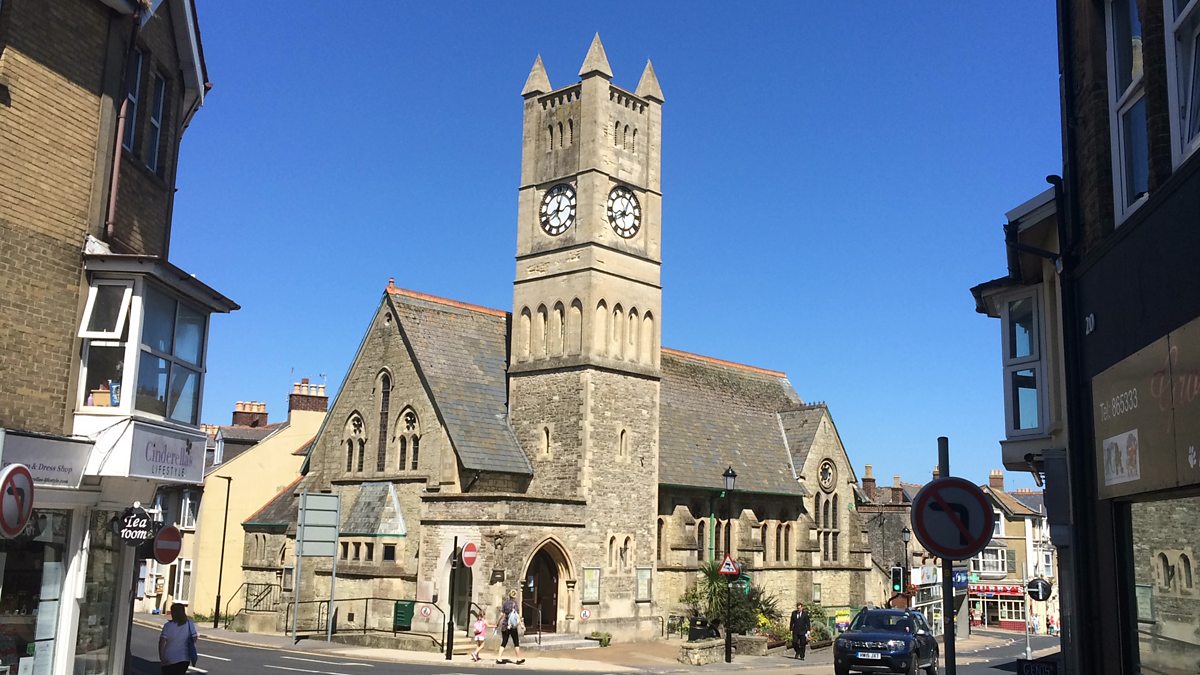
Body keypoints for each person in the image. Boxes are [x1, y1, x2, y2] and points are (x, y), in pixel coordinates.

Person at [158, 602, 197, 675]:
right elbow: (194, 638)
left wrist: (162, 657)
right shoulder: (189, 624)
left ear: (173, 613)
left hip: (169, 658)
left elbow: (161, 642)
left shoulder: (168, 626)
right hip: (184, 658)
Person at [496, 590, 524, 665]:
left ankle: (499, 658)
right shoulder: (516, 605)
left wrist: (498, 623)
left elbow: (501, 614)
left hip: (505, 626)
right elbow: (517, 616)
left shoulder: (505, 604)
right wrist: (521, 624)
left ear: (509, 596)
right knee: (516, 642)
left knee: (504, 642)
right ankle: (518, 658)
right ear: (515, 596)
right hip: (513, 627)